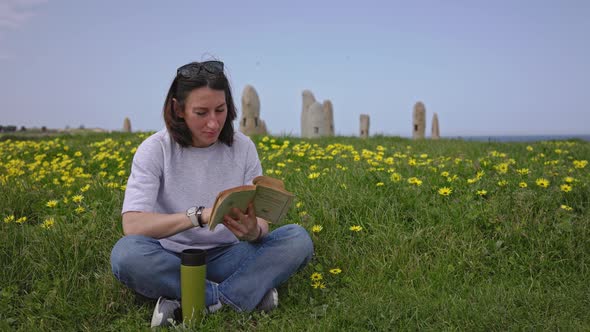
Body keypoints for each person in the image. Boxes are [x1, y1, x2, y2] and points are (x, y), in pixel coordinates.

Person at [110, 60, 314, 327]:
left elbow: (262, 220)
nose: (213, 122)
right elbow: (133, 224)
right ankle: (241, 296)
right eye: (201, 112)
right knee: (126, 255)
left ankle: (195, 301)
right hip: (171, 258)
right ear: (178, 109)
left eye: (220, 110)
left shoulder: (243, 147)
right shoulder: (155, 149)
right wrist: (199, 216)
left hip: (228, 255)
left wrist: (254, 232)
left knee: (297, 238)